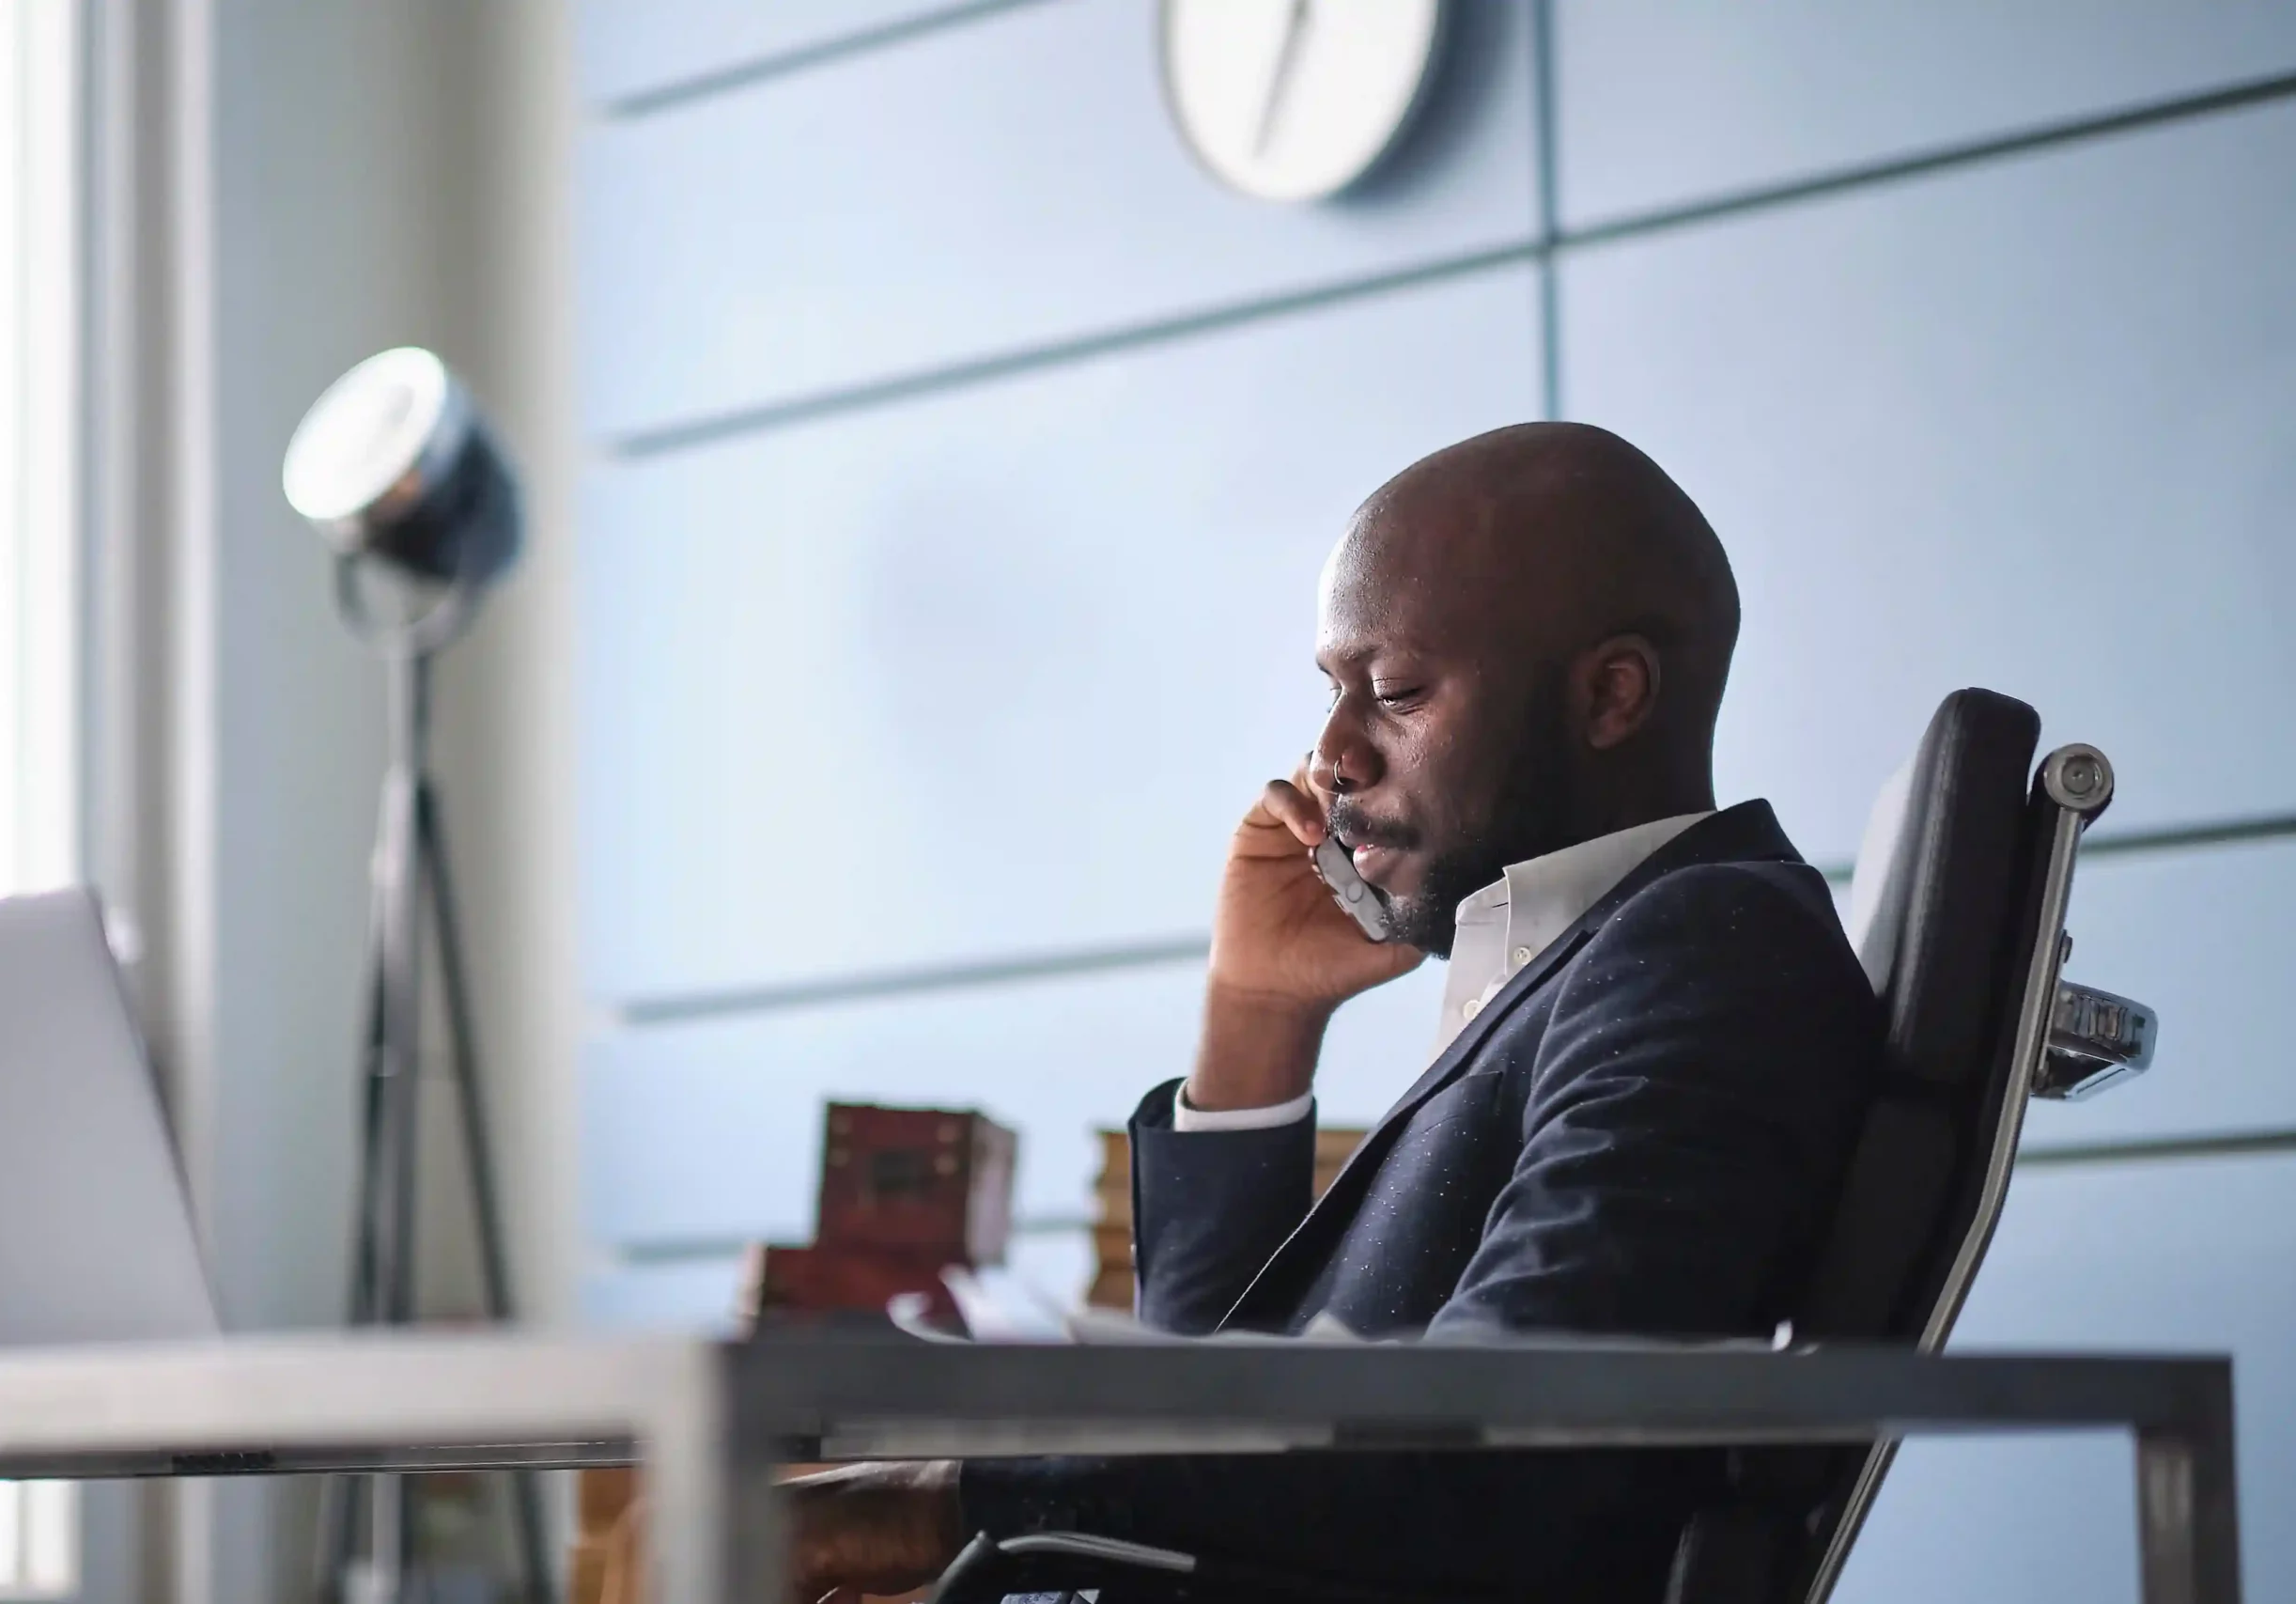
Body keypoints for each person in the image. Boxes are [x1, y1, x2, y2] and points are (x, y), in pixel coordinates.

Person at [783, 423, 1881, 1602]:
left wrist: (931, 1501)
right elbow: (1230, 1407)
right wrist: (1254, 1016)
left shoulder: (1702, 947)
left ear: (1612, 695)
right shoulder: (1579, 964)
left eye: (1395, 692)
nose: (1331, 754)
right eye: (1331, 692)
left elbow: (1489, 1459)